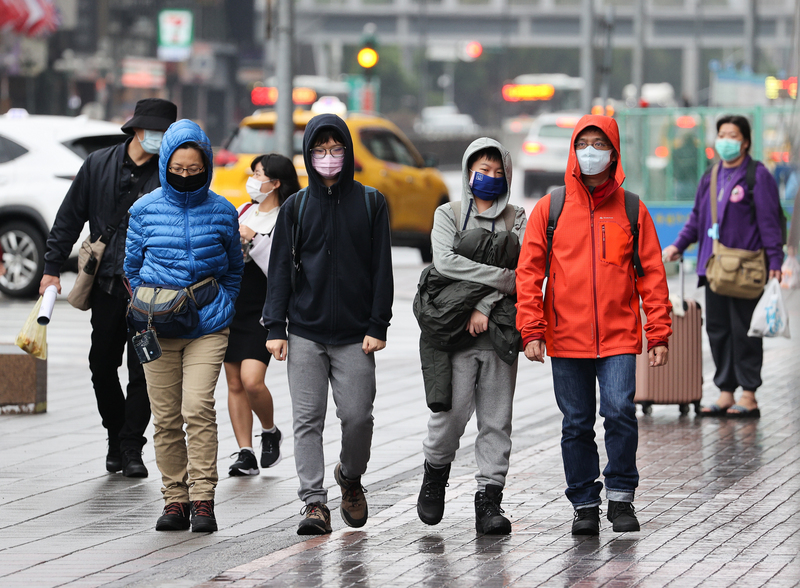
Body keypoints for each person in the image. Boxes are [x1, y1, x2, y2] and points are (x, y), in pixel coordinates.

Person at [516, 115, 672, 535]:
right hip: (565, 338)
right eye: (583, 142)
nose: (590, 151)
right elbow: (528, 272)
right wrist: (531, 329)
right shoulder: (551, 208)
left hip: (620, 336)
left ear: (613, 152)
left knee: (620, 412)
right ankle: (584, 503)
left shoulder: (633, 209)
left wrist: (658, 332)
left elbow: (652, 275)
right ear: (573, 149)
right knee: (576, 423)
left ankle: (621, 499)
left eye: (598, 144)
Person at [263, 113, 393, 536]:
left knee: (358, 417)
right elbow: (280, 270)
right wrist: (275, 328)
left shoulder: (372, 203)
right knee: (307, 419)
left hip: (357, 335)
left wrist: (379, 324)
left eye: (336, 149)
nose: (329, 157)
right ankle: (314, 504)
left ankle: (350, 478)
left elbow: (382, 270)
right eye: (320, 150)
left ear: (348, 153)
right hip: (304, 333)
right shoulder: (296, 208)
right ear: (307, 155)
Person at [40, 98, 177, 477]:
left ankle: (132, 447)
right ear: (136, 129)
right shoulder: (99, 164)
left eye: (166, 134)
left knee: (143, 368)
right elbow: (69, 218)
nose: (160, 139)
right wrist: (51, 269)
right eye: (156, 132)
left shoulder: (170, 173)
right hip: (105, 284)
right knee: (101, 363)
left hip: (151, 291)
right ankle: (115, 435)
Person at [124, 120, 244, 533]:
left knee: (197, 407)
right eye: (179, 169)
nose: (187, 176)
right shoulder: (143, 210)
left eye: (195, 170)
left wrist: (224, 304)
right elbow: (131, 270)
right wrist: (149, 306)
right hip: (156, 327)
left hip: (208, 325)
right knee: (165, 416)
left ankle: (203, 499)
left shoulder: (224, 211)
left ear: (207, 165)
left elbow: (233, 269)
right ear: (165, 166)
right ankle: (175, 500)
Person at [415, 139, 526, 535]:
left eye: (498, 172)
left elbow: (524, 275)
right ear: (467, 172)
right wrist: (499, 279)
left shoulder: (518, 217)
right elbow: (444, 262)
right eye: (483, 170)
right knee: (450, 417)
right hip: (453, 333)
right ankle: (435, 472)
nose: (490, 178)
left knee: (497, 421)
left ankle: (489, 499)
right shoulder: (449, 213)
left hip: (499, 332)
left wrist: (486, 305)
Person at [663, 115, 784, 418]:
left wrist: (776, 261)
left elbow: (770, 222)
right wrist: (679, 245)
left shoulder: (758, 176)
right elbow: (696, 219)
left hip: (746, 268)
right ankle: (726, 392)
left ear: (745, 141)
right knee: (718, 331)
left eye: (732, 135)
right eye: (721, 134)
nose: (725, 140)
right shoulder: (711, 175)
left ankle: (749, 394)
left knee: (745, 331)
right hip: (713, 268)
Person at [224, 154, 300, 476]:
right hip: (233, 306)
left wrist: (252, 239)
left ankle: (269, 430)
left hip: (264, 309)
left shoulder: (288, 217)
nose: (253, 180)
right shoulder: (244, 211)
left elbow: (281, 269)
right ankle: (246, 452)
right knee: (234, 383)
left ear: (276, 182)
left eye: (258, 174)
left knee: (252, 381)